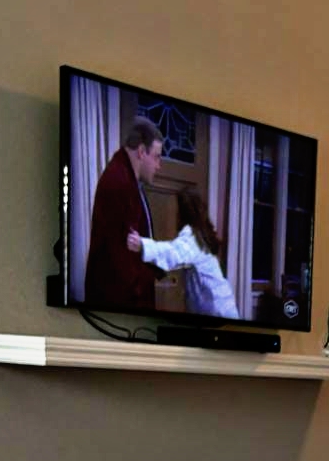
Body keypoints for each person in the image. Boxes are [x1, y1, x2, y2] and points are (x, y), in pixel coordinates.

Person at [85, 119, 163, 311]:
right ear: (141, 151)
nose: (159, 166)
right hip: (120, 305)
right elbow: (121, 261)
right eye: (156, 157)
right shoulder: (119, 182)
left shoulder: (128, 180)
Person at [127, 188, 239, 319]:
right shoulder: (200, 234)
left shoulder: (192, 236)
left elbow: (173, 253)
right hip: (218, 307)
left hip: (217, 311)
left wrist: (142, 244)